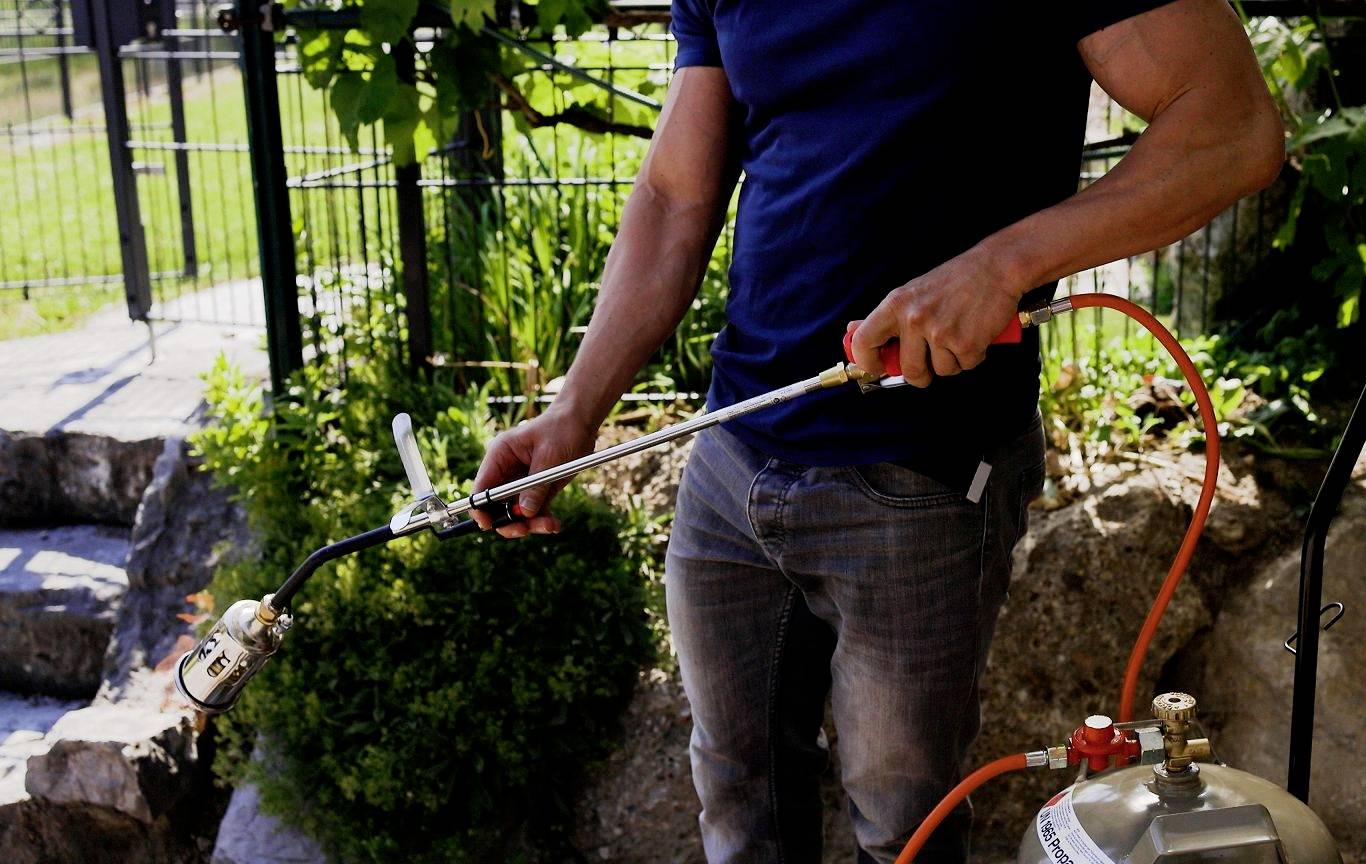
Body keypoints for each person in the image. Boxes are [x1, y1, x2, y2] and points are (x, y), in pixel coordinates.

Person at [472, 0, 1283, 859]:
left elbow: (1230, 128)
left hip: (924, 476)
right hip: (735, 455)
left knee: (903, 829)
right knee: (737, 798)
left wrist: (1001, 265)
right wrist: (573, 412)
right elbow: (677, 192)